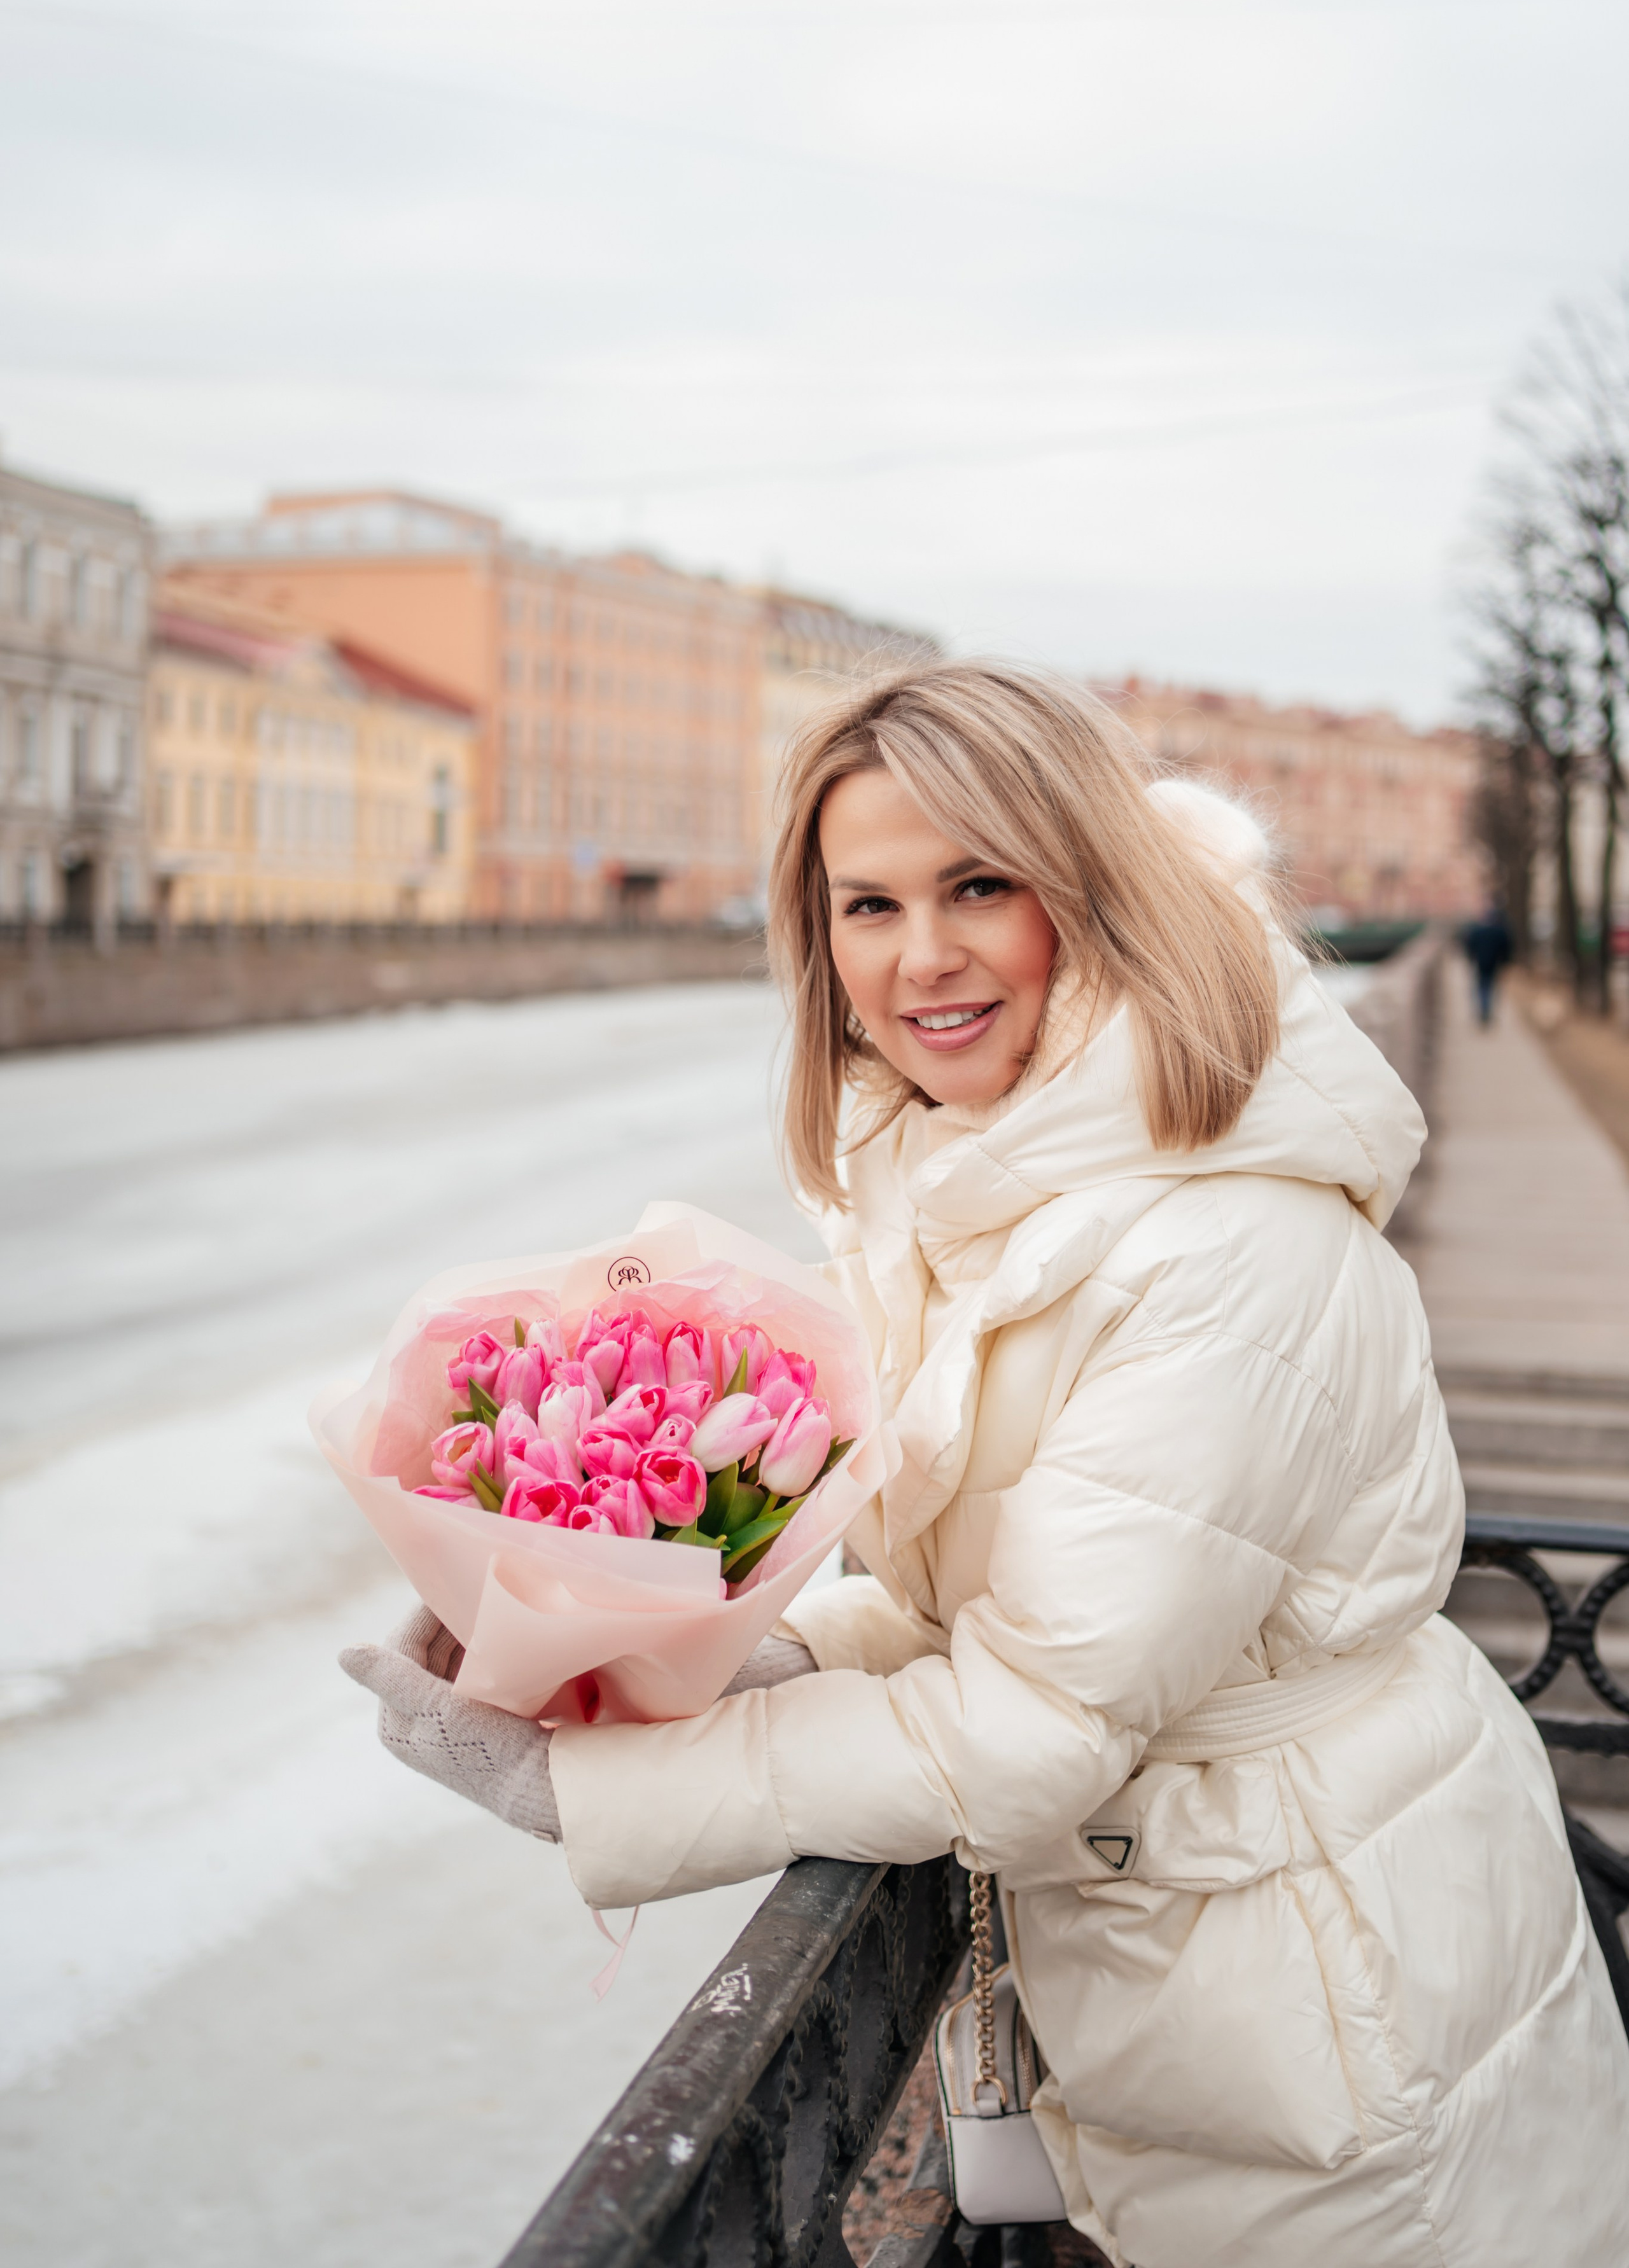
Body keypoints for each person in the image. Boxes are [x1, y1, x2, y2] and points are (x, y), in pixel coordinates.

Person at [342, 664, 1629, 2268]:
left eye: (975, 885)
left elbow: (1038, 1728)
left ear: (1088, 890)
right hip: (1233, 1977)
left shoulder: (1214, 1240)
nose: (917, 954)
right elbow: (1028, 1606)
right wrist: (758, 1647)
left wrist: (590, 1783)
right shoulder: (990, 1176)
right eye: (863, 902)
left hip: (1336, 2043)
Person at [1462, 900, 1513, 1026]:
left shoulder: (1477, 930)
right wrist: (1506, 961)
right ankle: (1487, 1009)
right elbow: (1506, 946)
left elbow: (1470, 945)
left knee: (1482, 986)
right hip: (1495, 963)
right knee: (1491, 986)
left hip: (1480, 962)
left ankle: (1484, 1009)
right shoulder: (1500, 931)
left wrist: (1470, 958)